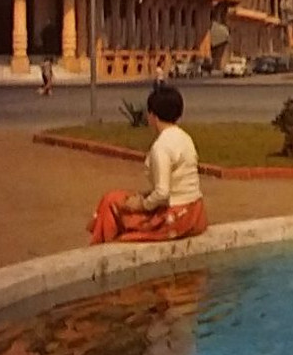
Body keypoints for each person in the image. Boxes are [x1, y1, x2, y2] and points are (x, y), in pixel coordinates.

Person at [88, 85, 208, 245]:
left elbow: (162, 193)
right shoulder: (185, 138)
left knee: (111, 202)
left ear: (152, 115)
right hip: (195, 213)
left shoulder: (162, 147)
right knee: (118, 199)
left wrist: (141, 205)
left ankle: (102, 246)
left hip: (177, 217)